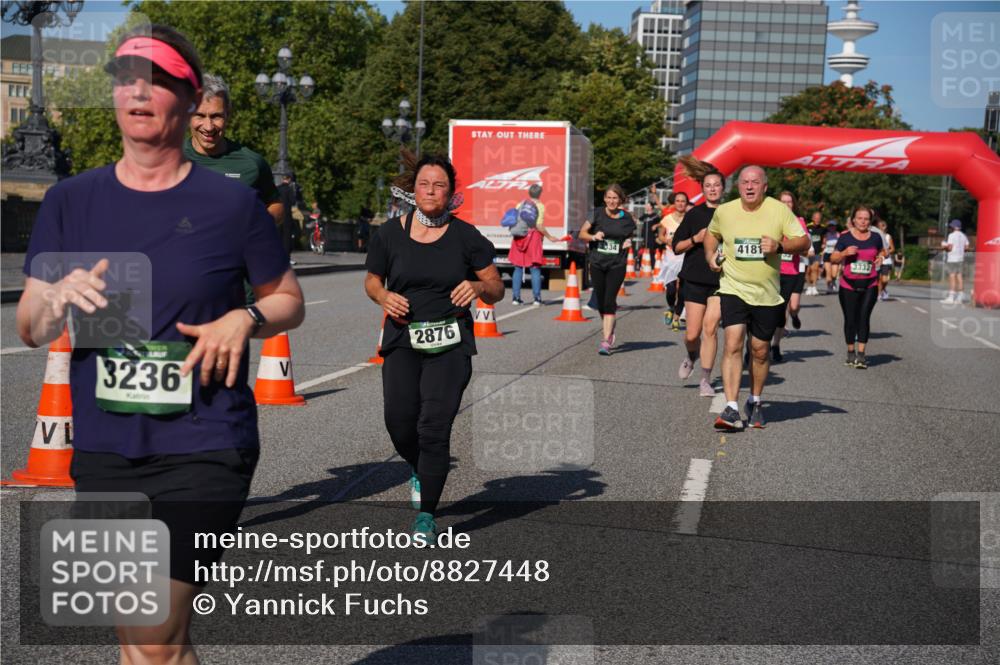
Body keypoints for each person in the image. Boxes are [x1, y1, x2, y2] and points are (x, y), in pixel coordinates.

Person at [16, 25, 305, 664]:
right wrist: (55, 296)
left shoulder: (231, 204)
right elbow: (31, 326)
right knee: (141, 641)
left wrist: (246, 319)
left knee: (151, 635)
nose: (140, 91)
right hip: (105, 448)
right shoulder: (71, 200)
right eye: (126, 78)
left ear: (190, 95)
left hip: (203, 442)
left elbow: (289, 298)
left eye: (161, 79)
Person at [364, 150, 503, 545]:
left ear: (451, 193)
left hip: (450, 343)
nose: (431, 190)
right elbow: (372, 280)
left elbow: (496, 288)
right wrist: (383, 297)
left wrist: (477, 287)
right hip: (402, 340)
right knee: (400, 421)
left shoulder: (466, 237)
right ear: (413, 190)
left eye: (439, 185)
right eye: (424, 183)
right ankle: (418, 467)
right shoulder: (390, 233)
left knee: (434, 427)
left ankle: (427, 514)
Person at [703, 165, 809, 430]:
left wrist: (780, 246)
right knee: (733, 343)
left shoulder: (778, 210)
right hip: (733, 288)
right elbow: (711, 235)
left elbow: (804, 242)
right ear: (738, 186)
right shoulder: (725, 211)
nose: (749, 186)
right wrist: (710, 257)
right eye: (744, 182)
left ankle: (755, 399)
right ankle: (731, 407)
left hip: (767, 294)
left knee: (760, 351)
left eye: (755, 182)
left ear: (765, 186)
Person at [184, 73, 282, 225]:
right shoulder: (167, 159)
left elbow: (276, 205)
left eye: (216, 116)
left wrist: (256, 226)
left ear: (228, 115)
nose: (208, 127)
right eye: (200, 115)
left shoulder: (252, 163)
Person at [672, 156, 725, 396]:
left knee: (710, 329)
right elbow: (676, 246)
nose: (712, 189)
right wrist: (696, 238)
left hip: (721, 281)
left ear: (723, 188)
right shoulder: (694, 215)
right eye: (708, 186)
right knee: (692, 334)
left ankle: (706, 379)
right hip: (694, 279)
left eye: (716, 185)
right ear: (703, 189)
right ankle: (691, 355)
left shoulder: (732, 213)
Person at [579, 184, 636, 355]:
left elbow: (629, 235)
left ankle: (606, 341)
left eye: (615, 198)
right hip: (597, 262)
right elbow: (582, 233)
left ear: (620, 200)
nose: (612, 201)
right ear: (605, 199)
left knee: (609, 301)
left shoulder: (626, 218)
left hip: (617, 264)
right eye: (609, 197)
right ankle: (610, 327)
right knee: (601, 302)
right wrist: (593, 236)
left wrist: (628, 242)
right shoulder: (597, 213)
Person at [831, 205, 884, 368]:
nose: (863, 221)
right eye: (860, 218)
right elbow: (833, 258)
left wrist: (880, 257)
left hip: (870, 283)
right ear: (853, 220)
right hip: (848, 284)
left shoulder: (875, 237)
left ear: (870, 221)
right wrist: (844, 253)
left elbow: (882, 251)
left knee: (864, 317)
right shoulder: (845, 237)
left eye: (866, 219)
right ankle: (850, 352)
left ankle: (861, 355)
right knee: (850, 319)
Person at [770, 191, 810, 362]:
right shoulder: (769, 219)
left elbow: (806, 247)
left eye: (789, 202)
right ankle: (755, 346)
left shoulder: (799, 222)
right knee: (764, 310)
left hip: (791, 272)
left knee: (780, 311)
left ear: (794, 204)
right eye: (783, 202)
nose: (786, 205)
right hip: (770, 271)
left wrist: (793, 248)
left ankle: (775, 345)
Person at [509, 183, 560, 306]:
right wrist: (549, 236)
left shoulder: (520, 204)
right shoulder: (540, 206)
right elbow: (539, 225)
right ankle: (537, 298)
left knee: (518, 267)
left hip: (519, 237)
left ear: (529, 193)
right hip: (533, 238)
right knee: (535, 267)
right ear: (540, 193)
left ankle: (516, 298)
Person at [659, 191, 688, 330]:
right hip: (671, 258)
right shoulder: (667, 219)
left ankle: (677, 316)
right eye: (678, 201)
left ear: (686, 203)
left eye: (683, 201)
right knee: (670, 288)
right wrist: (668, 240)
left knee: (682, 289)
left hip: (685, 257)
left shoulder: (690, 219)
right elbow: (661, 236)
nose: (680, 203)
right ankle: (671, 307)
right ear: (674, 203)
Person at [940, 219, 970, 304]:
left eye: (952, 226)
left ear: (954, 227)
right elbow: (967, 247)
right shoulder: (964, 236)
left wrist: (943, 246)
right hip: (961, 258)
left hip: (953, 258)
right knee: (959, 277)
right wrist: (960, 249)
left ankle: (951, 297)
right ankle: (960, 298)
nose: (951, 227)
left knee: (952, 277)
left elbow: (949, 248)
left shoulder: (951, 235)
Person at [874, 217, 895, 300]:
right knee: (878, 280)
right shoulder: (875, 236)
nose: (880, 227)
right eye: (878, 226)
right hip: (877, 260)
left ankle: (883, 290)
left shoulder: (888, 236)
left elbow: (892, 248)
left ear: (885, 227)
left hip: (886, 261)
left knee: (884, 280)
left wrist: (886, 252)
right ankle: (879, 294)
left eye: (882, 226)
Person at [805, 211, 825, 296]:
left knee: (815, 269)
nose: (817, 219)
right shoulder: (807, 226)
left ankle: (814, 287)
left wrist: (824, 245)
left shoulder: (823, 228)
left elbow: (824, 238)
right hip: (807, 252)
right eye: (816, 218)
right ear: (813, 218)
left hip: (817, 252)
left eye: (819, 218)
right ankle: (809, 286)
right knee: (808, 270)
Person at [822, 221, 841, 293]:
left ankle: (833, 281)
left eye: (833, 226)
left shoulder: (838, 235)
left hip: (835, 254)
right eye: (830, 226)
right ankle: (828, 287)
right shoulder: (826, 235)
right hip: (827, 254)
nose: (832, 227)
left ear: (835, 227)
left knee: (834, 273)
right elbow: (823, 245)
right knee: (828, 272)